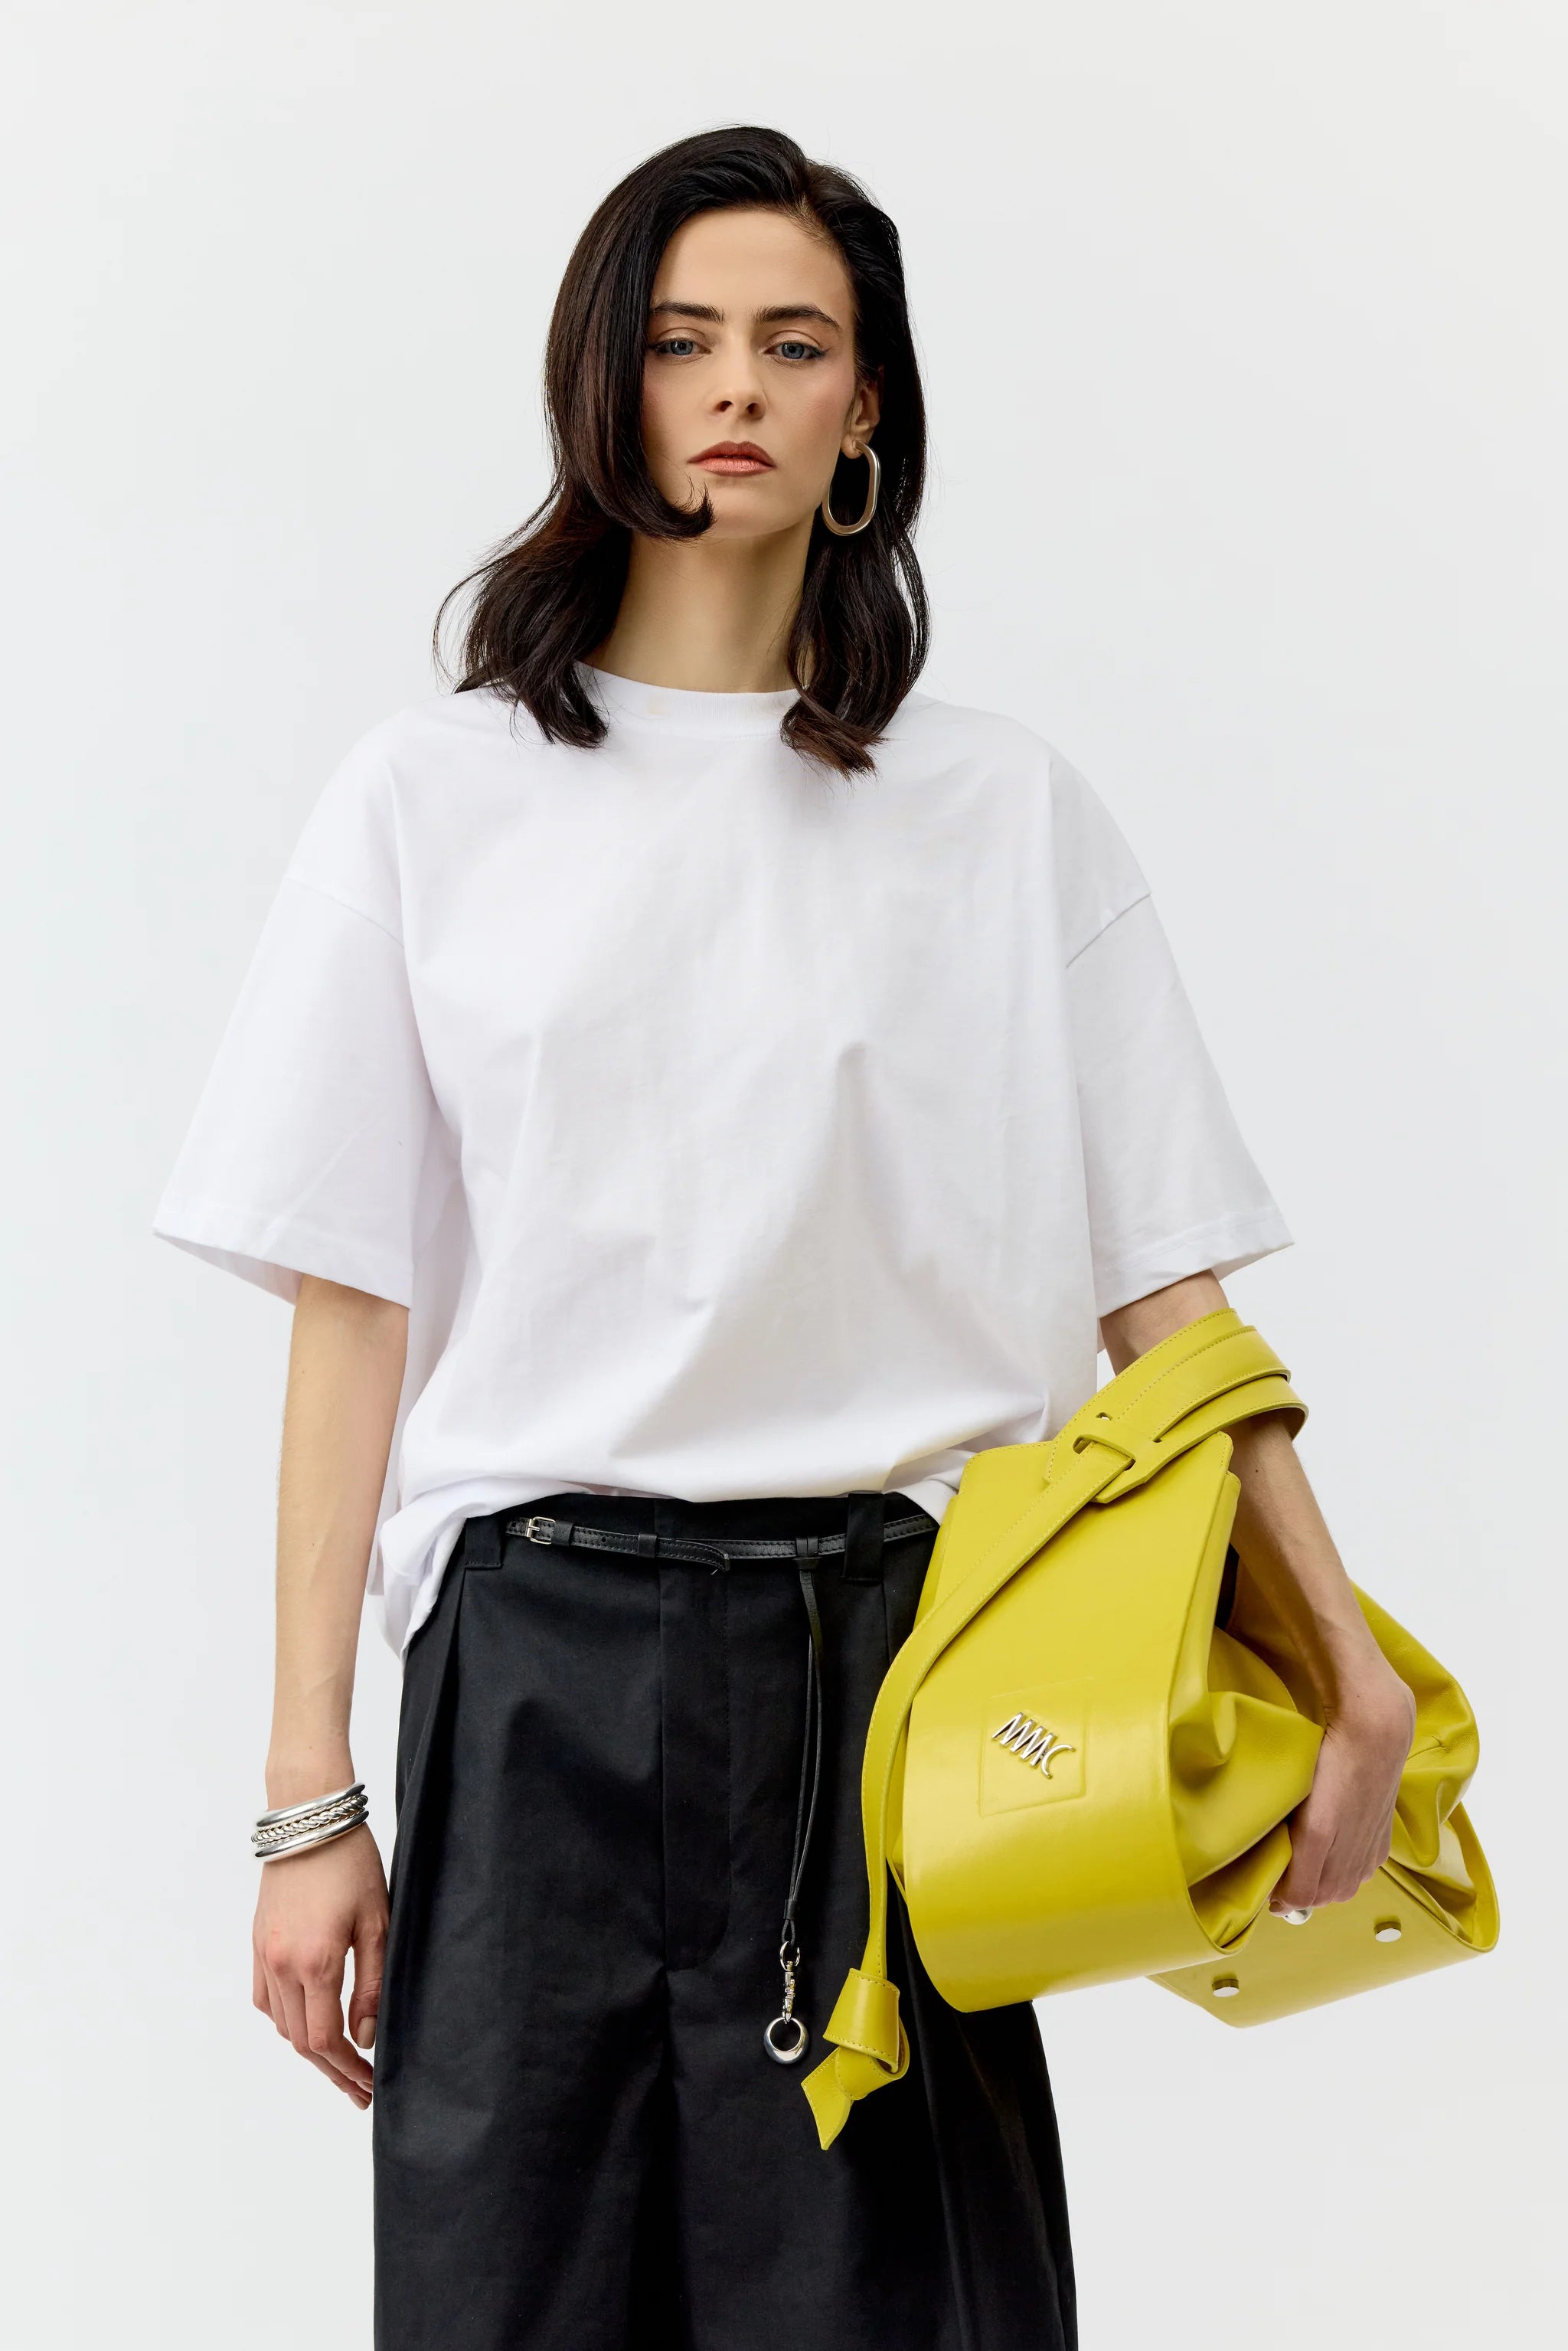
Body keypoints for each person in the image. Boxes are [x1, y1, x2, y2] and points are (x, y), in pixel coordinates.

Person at [154, 125, 1416, 2351]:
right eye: (679, 339)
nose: (734, 385)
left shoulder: (1000, 813)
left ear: (865, 414)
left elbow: (1168, 1294)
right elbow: (352, 1311)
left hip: (892, 1684)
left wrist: (1349, 1656)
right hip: (529, 1680)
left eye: (794, 342)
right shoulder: (432, 800)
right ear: (605, 385)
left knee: (909, 2310)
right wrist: (302, 1799)